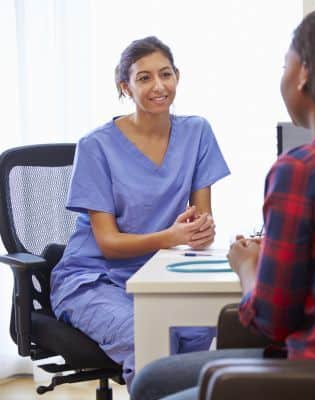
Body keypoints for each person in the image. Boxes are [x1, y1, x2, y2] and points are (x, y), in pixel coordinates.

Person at [130, 5, 315, 399]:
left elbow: (272, 319)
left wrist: (248, 265)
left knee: (153, 386)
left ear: (305, 74)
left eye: (286, 62)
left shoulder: (302, 169)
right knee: (152, 379)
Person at [49, 36, 230, 389]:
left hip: (160, 273)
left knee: (202, 326)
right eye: (144, 78)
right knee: (146, 336)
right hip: (92, 278)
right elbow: (108, 243)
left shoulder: (197, 132)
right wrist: (171, 237)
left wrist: (201, 231)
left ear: (178, 75)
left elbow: (199, 223)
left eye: (165, 74)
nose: (158, 86)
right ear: (125, 87)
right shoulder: (96, 146)